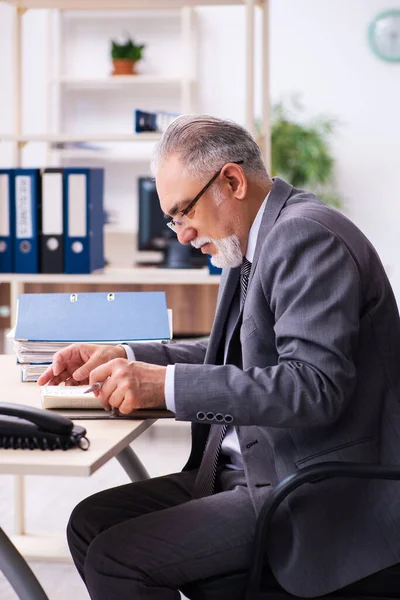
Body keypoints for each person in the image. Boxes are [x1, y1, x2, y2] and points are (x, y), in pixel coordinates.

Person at [38, 115, 400, 600]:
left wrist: (163, 385)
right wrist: (123, 355)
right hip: (251, 467)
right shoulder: (248, 240)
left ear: (231, 181)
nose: (180, 235)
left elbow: (313, 388)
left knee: (116, 558)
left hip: (309, 489)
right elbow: (231, 354)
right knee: (90, 522)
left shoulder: (306, 238)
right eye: (172, 218)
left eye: (183, 211)